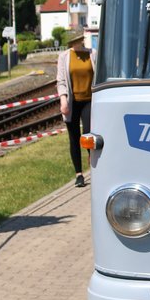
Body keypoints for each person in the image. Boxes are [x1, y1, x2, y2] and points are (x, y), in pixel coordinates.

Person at [56, 30, 94, 187]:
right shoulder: (64, 57)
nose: (76, 43)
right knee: (74, 137)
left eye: (78, 39)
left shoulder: (92, 54)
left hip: (89, 101)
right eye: (73, 41)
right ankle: (79, 174)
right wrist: (63, 100)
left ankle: (93, 162)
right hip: (72, 102)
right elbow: (61, 81)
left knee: (88, 133)